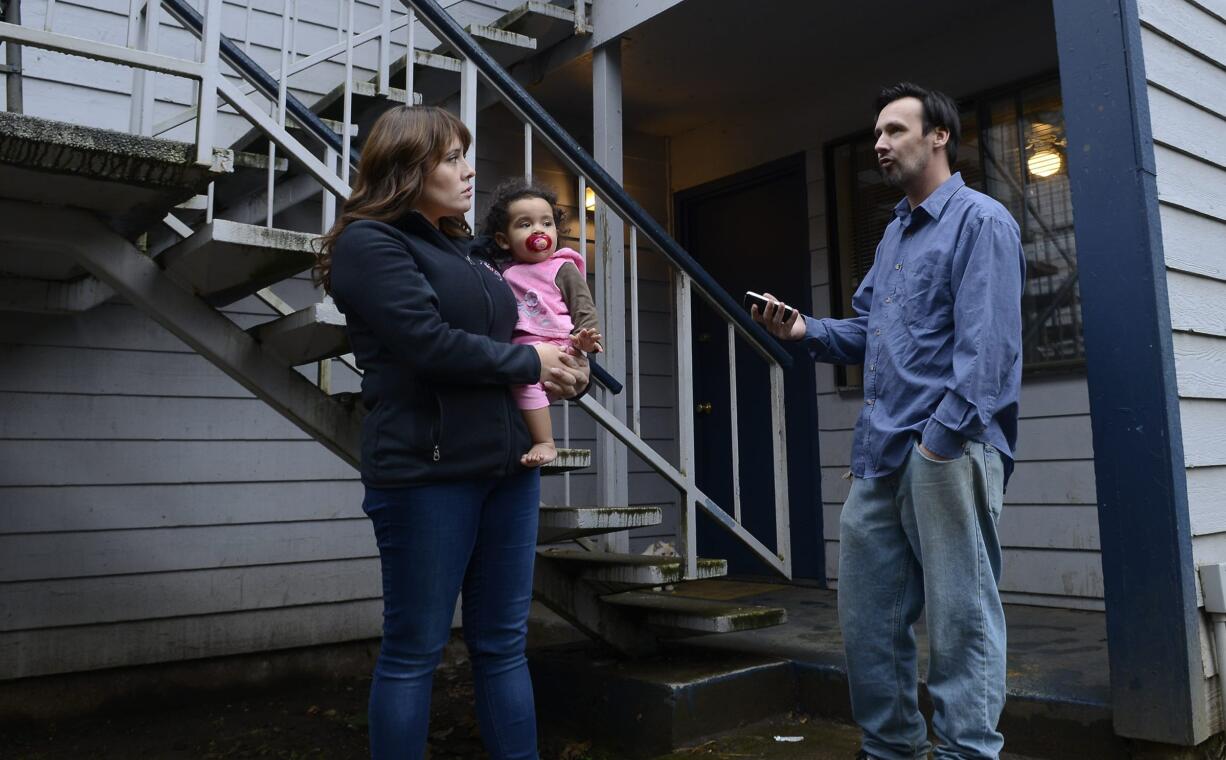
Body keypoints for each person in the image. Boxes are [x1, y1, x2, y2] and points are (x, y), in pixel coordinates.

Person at [752, 82, 1025, 759]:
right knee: (868, 620)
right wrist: (805, 329)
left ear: (939, 136)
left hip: (947, 449)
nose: (879, 143)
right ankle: (893, 750)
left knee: (961, 621)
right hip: (878, 455)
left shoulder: (981, 221)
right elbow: (871, 333)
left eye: (895, 130)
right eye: (876, 133)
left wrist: (939, 443)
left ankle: (966, 753)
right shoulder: (894, 234)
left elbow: (987, 350)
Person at [315, 105, 589, 760]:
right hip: (426, 472)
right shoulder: (369, 244)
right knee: (415, 652)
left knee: (502, 645)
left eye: (467, 156)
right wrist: (529, 362)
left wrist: (563, 367)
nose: (470, 172)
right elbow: (425, 344)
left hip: (508, 466)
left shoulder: (464, 251)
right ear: (407, 169)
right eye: (452, 159)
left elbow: (510, 339)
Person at [477, 178, 603, 467]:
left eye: (546, 224)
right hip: (521, 346)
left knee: (523, 383)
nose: (538, 231)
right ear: (503, 240)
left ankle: (545, 442)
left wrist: (585, 339)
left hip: (558, 342)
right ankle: (528, 436)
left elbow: (583, 306)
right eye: (525, 225)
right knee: (518, 384)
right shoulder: (504, 273)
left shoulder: (562, 267)